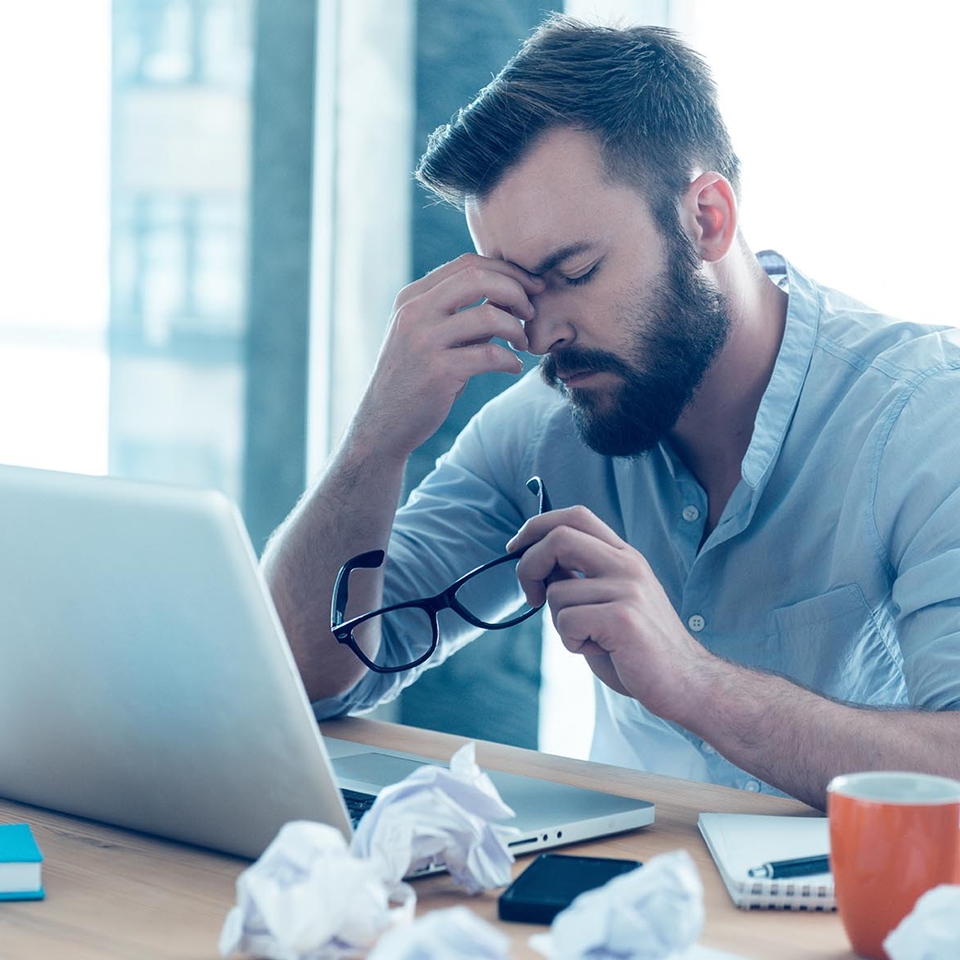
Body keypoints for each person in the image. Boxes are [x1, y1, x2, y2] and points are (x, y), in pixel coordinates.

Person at [262, 15, 960, 809]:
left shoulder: (927, 419)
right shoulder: (543, 426)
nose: (542, 333)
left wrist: (697, 684)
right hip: (611, 914)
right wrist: (374, 442)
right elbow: (301, 680)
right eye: (520, 289)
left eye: (576, 271)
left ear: (707, 219)